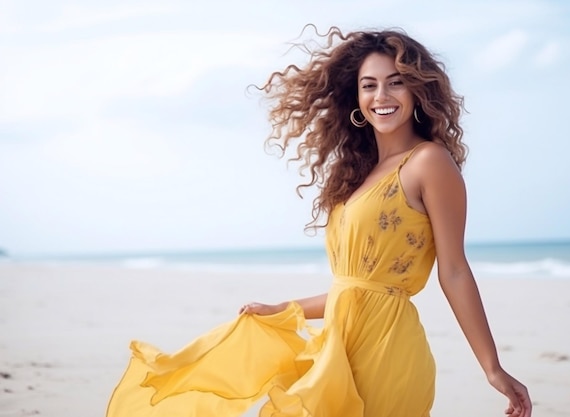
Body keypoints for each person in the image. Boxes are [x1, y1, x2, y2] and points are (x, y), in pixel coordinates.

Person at [107, 25, 532, 417]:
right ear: (357, 100)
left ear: (419, 91)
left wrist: (492, 368)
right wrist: (284, 309)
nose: (382, 95)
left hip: (388, 350)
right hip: (338, 345)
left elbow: (454, 271)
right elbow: (352, 290)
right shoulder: (359, 177)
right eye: (369, 85)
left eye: (396, 82)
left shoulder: (429, 162)